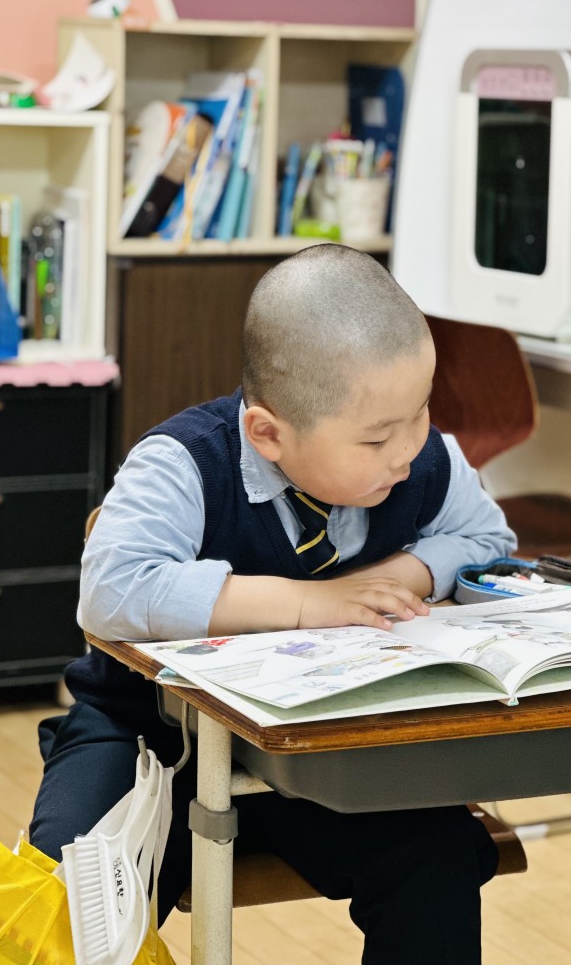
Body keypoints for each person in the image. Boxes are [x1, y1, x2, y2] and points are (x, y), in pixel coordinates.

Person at [30, 244, 517, 965]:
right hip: (156, 741)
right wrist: (305, 601)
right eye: (378, 436)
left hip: (324, 751)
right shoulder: (184, 461)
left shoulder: (422, 460)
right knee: (70, 890)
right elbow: (111, 591)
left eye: (418, 414)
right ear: (267, 432)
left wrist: (402, 572)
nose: (407, 452)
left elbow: (486, 535)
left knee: (438, 855)